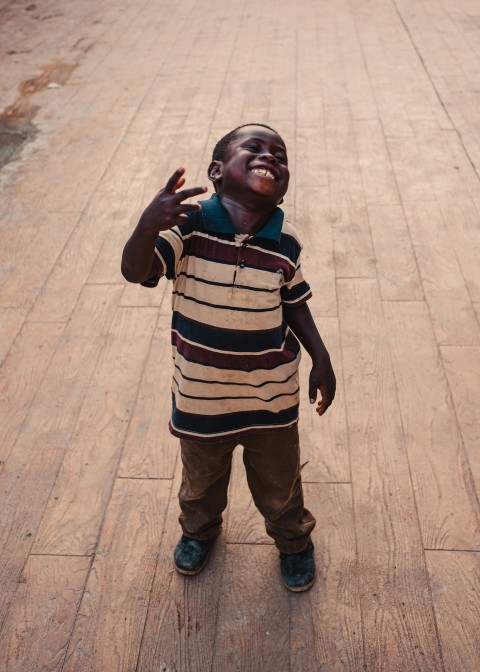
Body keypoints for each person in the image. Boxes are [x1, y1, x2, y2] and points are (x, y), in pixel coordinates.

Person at [121, 123, 336, 592]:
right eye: (255, 148)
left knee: (280, 487)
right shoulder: (189, 226)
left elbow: (294, 301)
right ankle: (199, 533)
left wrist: (321, 356)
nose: (271, 157)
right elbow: (137, 271)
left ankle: (294, 542)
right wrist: (146, 225)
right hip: (202, 398)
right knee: (200, 484)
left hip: (270, 399)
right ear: (217, 171)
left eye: (280, 154)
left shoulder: (286, 241)